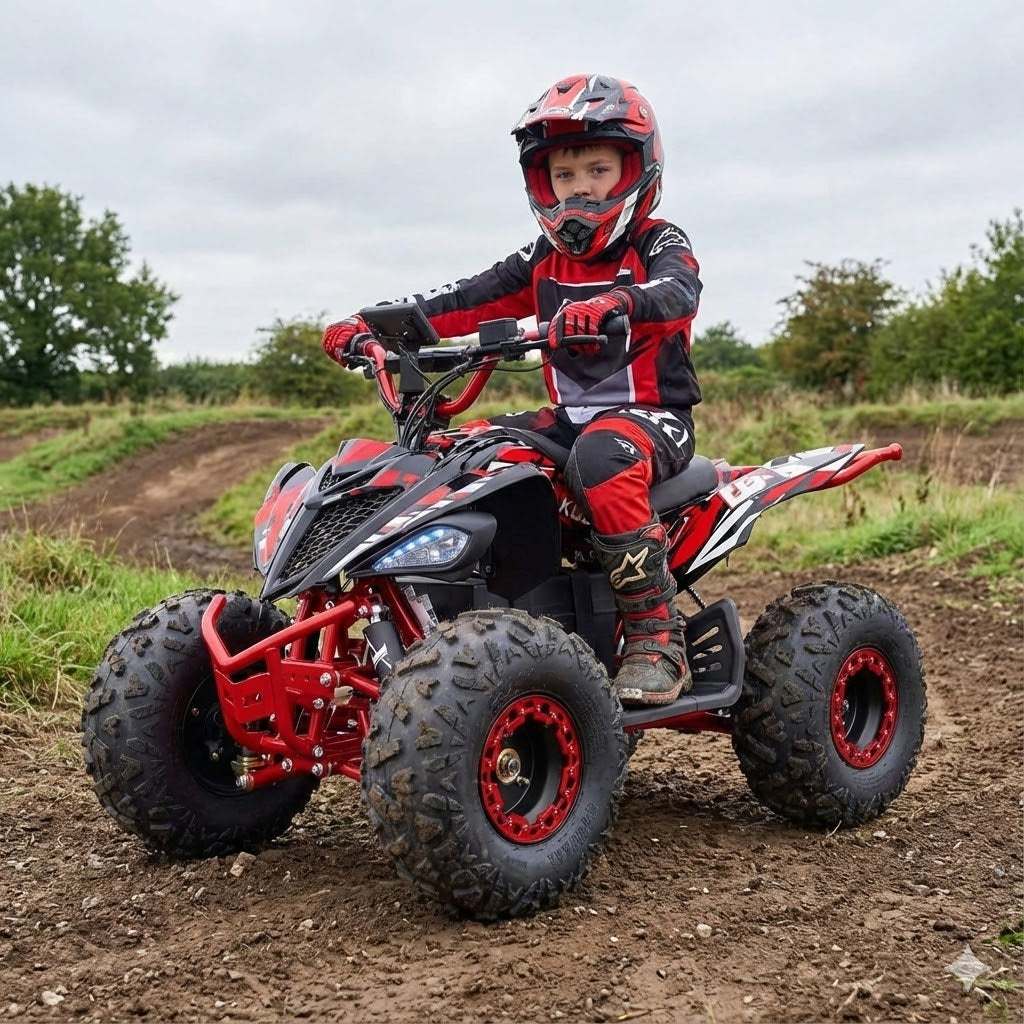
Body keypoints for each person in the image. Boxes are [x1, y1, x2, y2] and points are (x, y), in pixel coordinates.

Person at [322, 74, 702, 706]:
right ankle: (469, 623)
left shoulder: (656, 240)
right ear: (541, 184)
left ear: (636, 169)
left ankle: (656, 639)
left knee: (601, 458)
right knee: (465, 451)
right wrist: (371, 323)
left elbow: (678, 292)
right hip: (568, 419)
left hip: (653, 419)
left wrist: (618, 301)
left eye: (598, 170)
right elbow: (462, 299)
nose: (580, 189)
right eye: (564, 176)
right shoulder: (540, 261)